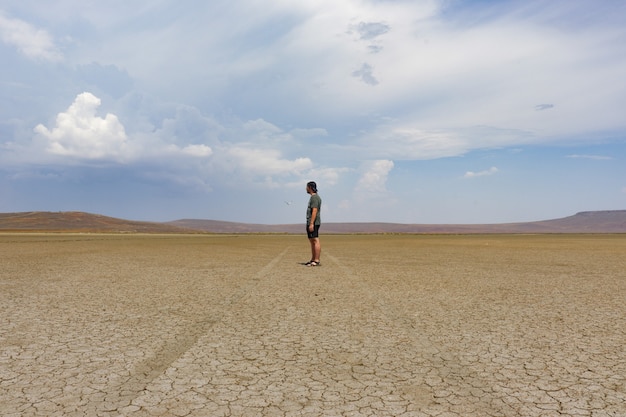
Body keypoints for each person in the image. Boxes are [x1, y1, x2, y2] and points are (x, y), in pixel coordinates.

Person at [305, 181, 321, 267]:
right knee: (312, 241)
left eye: (307, 187)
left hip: (314, 222)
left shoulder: (315, 198)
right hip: (311, 222)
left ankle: (316, 260)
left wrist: (311, 223)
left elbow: (314, 210)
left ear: (310, 187)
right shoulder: (313, 197)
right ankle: (313, 259)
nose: (306, 189)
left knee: (315, 240)